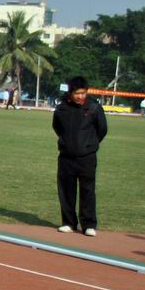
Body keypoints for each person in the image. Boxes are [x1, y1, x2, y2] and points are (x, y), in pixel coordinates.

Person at [52, 76, 108, 236]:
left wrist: (89, 144)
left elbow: (102, 129)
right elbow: (57, 127)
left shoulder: (94, 107)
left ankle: (89, 224)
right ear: (70, 93)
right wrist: (66, 143)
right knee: (66, 190)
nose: (81, 96)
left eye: (83, 93)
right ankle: (69, 222)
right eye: (77, 93)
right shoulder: (61, 108)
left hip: (87, 157)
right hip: (66, 157)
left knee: (88, 190)